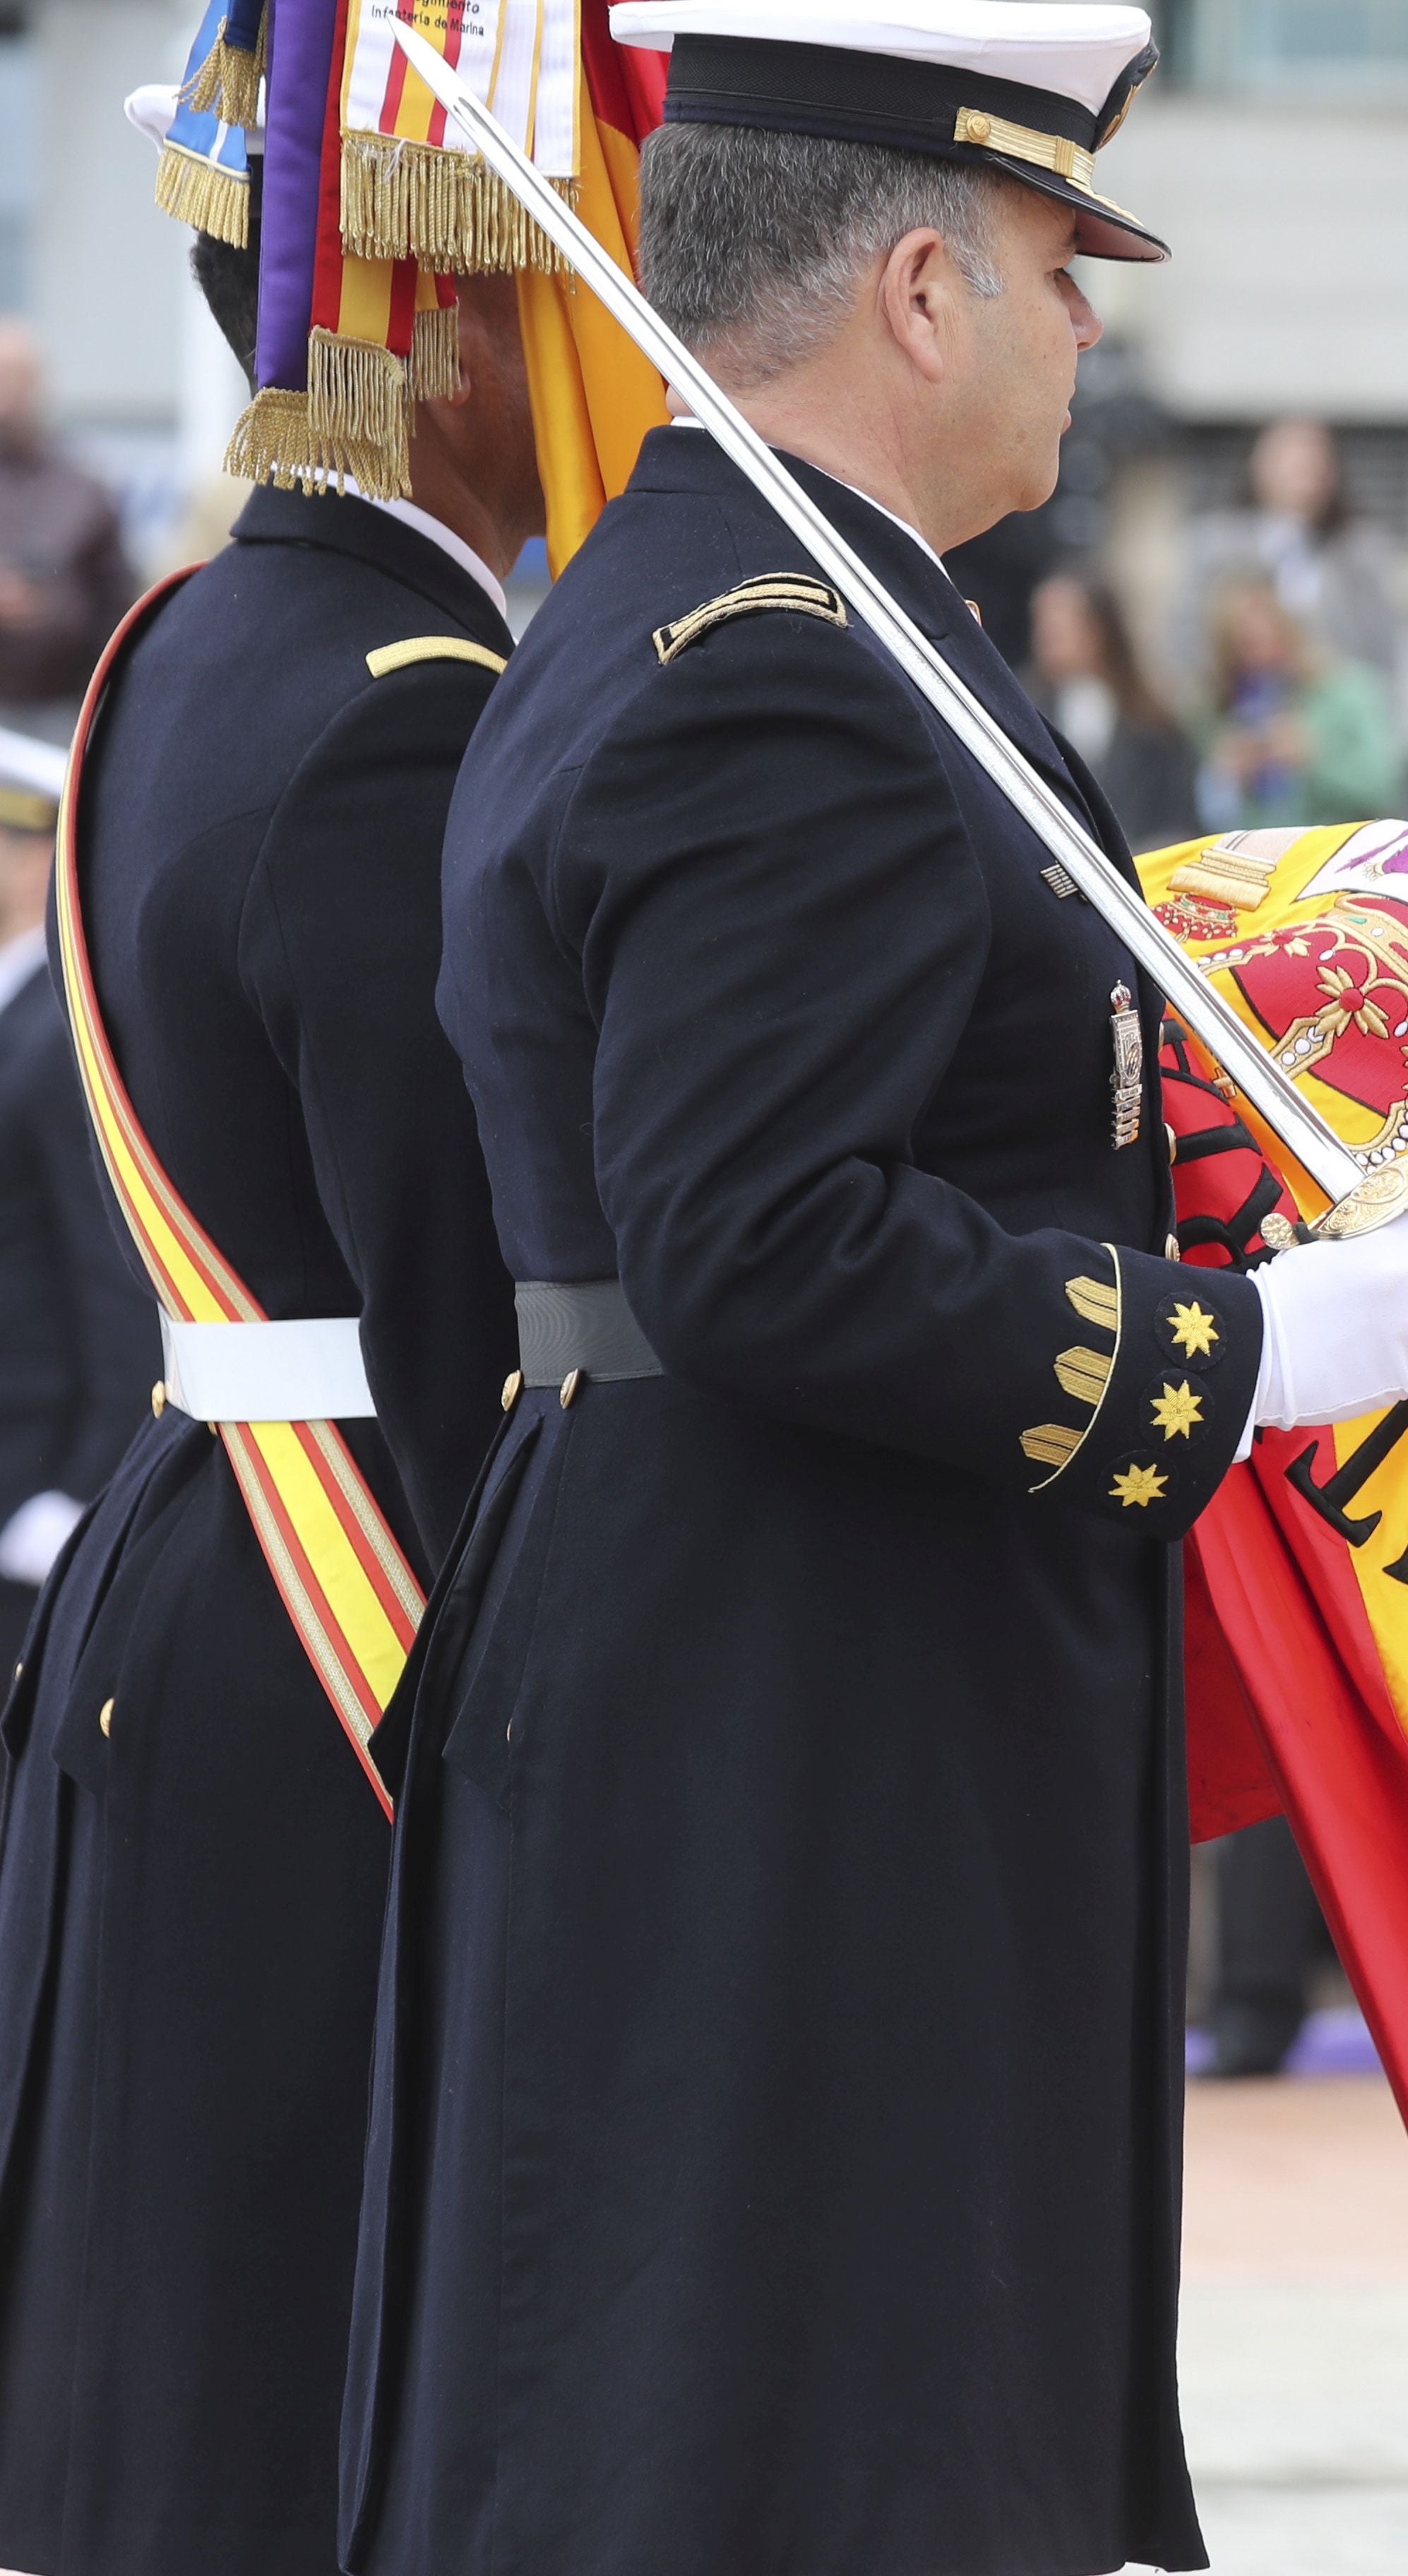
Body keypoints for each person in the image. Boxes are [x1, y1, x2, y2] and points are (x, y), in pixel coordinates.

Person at [350, 20, 1408, 2572]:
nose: (1089, 331)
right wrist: (1255, 1352)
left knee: (800, 2394)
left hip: (776, 1648)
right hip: (796, 1697)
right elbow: (756, 1230)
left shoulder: (747, 601)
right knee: (793, 2432)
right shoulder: (789, 664)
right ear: (918, 285)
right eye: (1058, 265)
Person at [0, 167, 539, 2576]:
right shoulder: (406, 712)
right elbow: (460, 1293)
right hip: (350, 1555)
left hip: (195, 1522)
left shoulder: (193, 633)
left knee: (171, 2264)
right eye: (541, 313)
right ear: (428, 345)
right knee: (279, 2307)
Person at [0, 742, 151, 1642]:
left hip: (40, 1497)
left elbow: (113, 1277)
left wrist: (79, 1493)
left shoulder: (55, 1032)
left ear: (31, 853)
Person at [1182, 412, 1403, 700]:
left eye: (1316, 454)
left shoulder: (1362, 555)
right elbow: (1184, 643)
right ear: (1258, 463)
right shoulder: (1214, 546)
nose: (1305, 465)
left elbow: (1384, 656)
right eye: (1291, 453)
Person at [0, 320, 138, 725]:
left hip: (61, 715)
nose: (6, 397)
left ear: (40, 386)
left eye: (17, 379)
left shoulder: (83, 492)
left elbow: (119, 612)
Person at [1198, 572, 1404, 830]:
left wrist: (1314, 758)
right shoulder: (1217, 711)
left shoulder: (1348, 694)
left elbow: (1382, 788)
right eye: (1244, 647)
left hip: (1334, 852)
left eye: (1268, 641)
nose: (1260, 658)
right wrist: (1222, 778)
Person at [1027, 568, 1199, 848]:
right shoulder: (1020, 718)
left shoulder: (1156, 728)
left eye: (1061, 622)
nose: (1048, 634)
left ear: (1100, 630)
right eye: (1042, 621)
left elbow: (1180, 825)